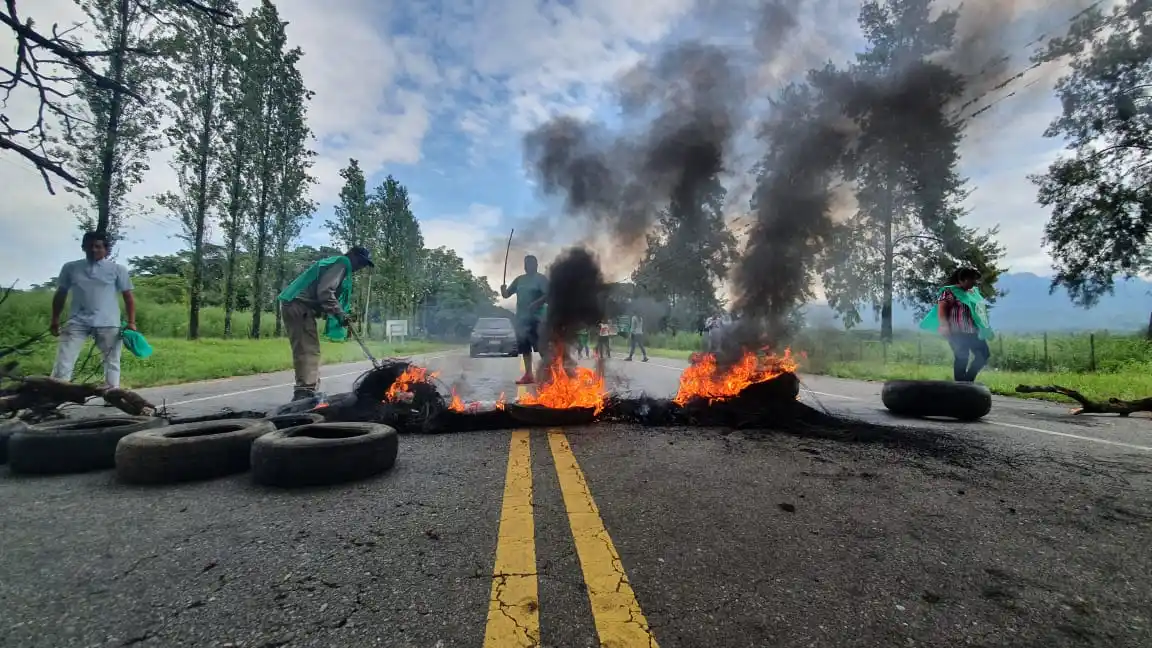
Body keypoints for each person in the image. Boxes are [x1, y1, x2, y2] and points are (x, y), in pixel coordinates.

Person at [278, 247, 374, 400]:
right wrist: (340, 314)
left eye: (364, 264)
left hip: (298, 305)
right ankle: (304, 392)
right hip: (298, 304)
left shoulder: (339, 264)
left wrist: (341, 315)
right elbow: (325, 292)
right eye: (361, 262)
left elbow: (323, 293)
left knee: (310, 348)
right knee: (307, 349)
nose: (361, 267)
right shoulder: (342, 263)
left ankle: (309, 389)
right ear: (353, 256)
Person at [49, 231, 136, 392]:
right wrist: (55, 319)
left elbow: (128, 297)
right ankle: (58, 392)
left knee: (112, 360)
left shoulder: (117, 269)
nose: (94, 250)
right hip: (77, 320)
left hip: (108, 321)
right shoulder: (70, 268)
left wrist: (131, 322)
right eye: (90, 246)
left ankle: (112, 393)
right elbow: (61, 293)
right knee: (64, 358)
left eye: (98, 246)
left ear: (106, 249)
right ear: (83, 247)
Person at [920, 267, 994, 383]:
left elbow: (978, 311)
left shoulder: (973, 293)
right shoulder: (949, 292)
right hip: (956, 331)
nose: (975, 283)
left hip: (972, 331)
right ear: (963, 279)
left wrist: (985, 327)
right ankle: (961, 384)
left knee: (984, 355)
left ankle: (967, 381)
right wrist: (944, 325)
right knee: (962, 357)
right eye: (972, 280)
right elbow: (942, 307)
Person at [500, 254, 548, 385]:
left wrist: (537, 303)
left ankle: (549, 374)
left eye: (531, 263)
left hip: (537, 319)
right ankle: (528, 375)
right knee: (525, 348)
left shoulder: (541, 279)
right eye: (526, 263)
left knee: (542, 348)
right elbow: (506, 295)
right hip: (521, 320)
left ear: (536, 265)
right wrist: (503, 290)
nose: (528, 266)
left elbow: (548, 295)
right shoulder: (519, 280)